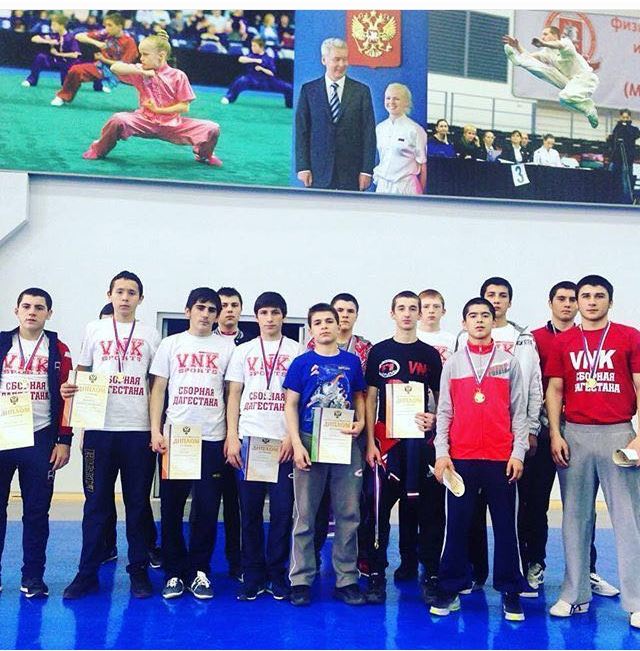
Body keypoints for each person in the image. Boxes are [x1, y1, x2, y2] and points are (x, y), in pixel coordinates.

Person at [546, 275, 640, 629]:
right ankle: (575, 595)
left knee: (629, 520)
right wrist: (555, 433)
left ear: (609, 302)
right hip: (576, 435)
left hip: (619, 433)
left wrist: (639, 437)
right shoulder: (564, 341)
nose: (591, 301)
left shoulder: (629, 336)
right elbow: (555, 390)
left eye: (599, 296)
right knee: (574, 519)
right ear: (577, 301)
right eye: (585, 295)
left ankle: (636, 601)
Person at [61, 271, 161, 599]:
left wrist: (155, 428)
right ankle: (86, 573)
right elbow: (82, 372)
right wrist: (74, 407)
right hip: (99, 432)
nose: (125, 297)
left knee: (137, 505)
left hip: (137, 431)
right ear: (110, 295)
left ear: (140, 299)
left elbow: (155, 384)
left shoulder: (150, 334)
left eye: (132, 292)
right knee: (96, 505)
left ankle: (138, 571)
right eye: (120, 291)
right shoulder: (94, 329)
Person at [430, 298, 528, 621]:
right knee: (457, 525)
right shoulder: (453, 364)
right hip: (461, 459)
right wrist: (442, 453)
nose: (480, 320)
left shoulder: (509, 362)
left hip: (501, 460)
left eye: (485, 315)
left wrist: (518, 453)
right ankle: (450, 586)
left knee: (506, 527)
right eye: (473, 315)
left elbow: (519, 413)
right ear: (464, 323)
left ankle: (511, 590)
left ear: (494, 320)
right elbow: (444, 412)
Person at [529, 282, 619, 597]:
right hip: (545, 432)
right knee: (535, 502)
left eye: (572, 299)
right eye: (561, 299)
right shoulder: (534, 339)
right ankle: (534, 564)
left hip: (584, 430)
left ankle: (587, 571)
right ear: (550, 302)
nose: (567, 304)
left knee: (582, 506)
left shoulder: (595, 338)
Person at [458, 277, 542, 595]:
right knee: (471, 513)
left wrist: (530, 429)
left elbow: (531, 385)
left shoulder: (522, 339)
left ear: (508, 303)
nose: (495, 300)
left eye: (501, 295)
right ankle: (475, 570)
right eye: (490, 295)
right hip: (469, 444)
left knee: (508, 515)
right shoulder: (462, 341)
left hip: (506, 442)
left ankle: (512, 579)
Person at [149, 287, 234, 600]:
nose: (206, 314)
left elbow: (231, 394)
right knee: (171, 507)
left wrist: (231, 435)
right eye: (200, 308)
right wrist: (155, 430)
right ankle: (173, 572)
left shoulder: (227, 348)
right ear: (187, 311)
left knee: (207, 509)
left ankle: (199, 570)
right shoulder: (171, 344)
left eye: (212, 310)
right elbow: (158, 389)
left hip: (212, 437)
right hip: (177, 437)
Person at [284, 303, 367, 606]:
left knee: (349, 513)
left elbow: (358, 396)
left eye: (329, 321)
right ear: (311, 329)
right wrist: (297, 443)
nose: (324, 326)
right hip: (309, 441)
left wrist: (361, 422)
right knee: (305, 514)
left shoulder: (352, 362)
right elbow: (291, 404)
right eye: (317, 322)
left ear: (337, 324)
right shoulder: (301, 363)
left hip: (344, 441)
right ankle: (300, 579)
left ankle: (346, 578)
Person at [363, 291, 443, 605]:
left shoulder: (430, 354)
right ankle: (376, 572)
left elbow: (442, 399)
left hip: (420, 443)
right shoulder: (379, 351)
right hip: (388, 443)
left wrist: (435, 418)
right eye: (402, 308)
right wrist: (370, 441)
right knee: (378, 509)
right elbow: (370, 398)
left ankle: (427, 571)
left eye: (413, 308)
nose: (407, 313)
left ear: (420, 314)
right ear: (392, 313)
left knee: (425, 508)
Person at [225, 292, 300, 601]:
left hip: (282, 443)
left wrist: (292, 438)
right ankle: (252, 575)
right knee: (250, 513)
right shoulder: (243, 351)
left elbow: (300, 400)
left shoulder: (297, 351)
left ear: (283, 316)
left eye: (275, 312)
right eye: (264, 312)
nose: (270, 318)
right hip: (251, 440)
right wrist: (232, 435)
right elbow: (233, 395)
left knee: (282, 513)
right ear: (256, 317)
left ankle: (277, 574)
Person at [0, 288, 73, 598]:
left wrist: (64, 440)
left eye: (39, 307)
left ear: (49, 314)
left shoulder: (59, 349)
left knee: (37, 512)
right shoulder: (2, 343)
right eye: (27, 306)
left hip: (40, 438)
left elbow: (69, 398)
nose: (32, 312)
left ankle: (32, 577)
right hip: (3, 436)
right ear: (16, 310)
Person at [81, 31, 223, 167]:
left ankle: (204, 155)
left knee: (212, 128)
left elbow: (184, 107)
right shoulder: (141, 70)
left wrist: (158, 110)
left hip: (173, 125)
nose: (141, 58)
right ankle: (98, 150)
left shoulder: (178, 76)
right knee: (117, 119)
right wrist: (140, 71)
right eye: (141, 54)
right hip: (143, 121)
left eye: (145, 54)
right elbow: (115, 68)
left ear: (161, 56)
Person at [306, 293, 371, 574]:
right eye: (339, 310)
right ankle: (309, 562)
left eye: (349, 311)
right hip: (314, 435)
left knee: (351, 505)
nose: (344, 315)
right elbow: (296, 398)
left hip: (348, 434)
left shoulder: (363, 351)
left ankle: (350, 568)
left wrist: (363, 423)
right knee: (314, 507)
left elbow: (363, 394)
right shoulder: (308, 351)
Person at [295, 37, 376, 191]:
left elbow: (368, 134)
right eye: (337, 59)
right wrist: (303, 167)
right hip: (318, 172)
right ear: (324, 60)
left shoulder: (361, 91)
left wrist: (366, 171)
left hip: (351, 173)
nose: (342, 64)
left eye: (345, 59)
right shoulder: (309, 90)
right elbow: (302, 131)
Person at [502, 26, 599, 129]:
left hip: (585, 79)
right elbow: (530, 57)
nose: (542, 37)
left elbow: (559, 45)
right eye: (542, 35)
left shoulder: (566, 42)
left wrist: (544, 44)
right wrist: (517, 46)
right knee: (547, 70)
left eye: (545, 34)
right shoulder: (546, 52)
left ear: (555, 35)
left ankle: (589, 108)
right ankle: (518, 61)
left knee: (564, 97)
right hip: (569, 82)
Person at [50, 12, 137, 106]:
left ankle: (146, 107)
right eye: (106, 25)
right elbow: (79, 36)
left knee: (144, 82)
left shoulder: (130, 41)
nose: (106, 28)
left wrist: (103, 59)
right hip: (102, 68)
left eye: (110, 25)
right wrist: (97, 43)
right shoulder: (105, 33)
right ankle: (62, 97)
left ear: (119, 27)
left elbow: (124, 65)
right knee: (76, 70)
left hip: (122, 72)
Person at [373, 83, 427, 195]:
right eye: (388, 98)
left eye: (396, 99)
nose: (391, 102)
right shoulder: (380, 128)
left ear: (406, 102)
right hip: (382, 187)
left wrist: (421, 197)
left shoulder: (415, 130)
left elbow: (423, 166)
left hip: (406, 187)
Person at [220, 37, 292, 108]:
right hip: (252, 78)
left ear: (261, 47)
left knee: (288, 87)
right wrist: (255, 60)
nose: (252, 48)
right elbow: (241, 59)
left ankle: (290, 104)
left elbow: (271, 73)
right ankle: (228, 98)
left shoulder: (268, 58)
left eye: (254, 46)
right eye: (252, 46)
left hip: (268, 80)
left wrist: (262, 69)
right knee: (240, 81)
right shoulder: (251, 55)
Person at [22, 13, 80, 88]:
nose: (52, 27)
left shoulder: (71, 37)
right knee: (40, 57)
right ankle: (31, 80)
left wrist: (58, 54)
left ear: (62, 25)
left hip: (67, 64)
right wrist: (49, 41)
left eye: (54, 25)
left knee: (66, 85)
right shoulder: (53, 35)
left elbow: (75, 54)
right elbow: (34, 38)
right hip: (55, 61)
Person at [417, 289, 456, 363]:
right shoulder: (411, 338)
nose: (431, 311)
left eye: (436, 306)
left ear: (443, 311)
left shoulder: (452, 340)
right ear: (418, 311)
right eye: (426, 306)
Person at [609, 108, 640, 202]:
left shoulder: (634, 129)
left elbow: (635, 135)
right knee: (612, 178)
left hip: (627, 159)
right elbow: (614, 141)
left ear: (630, 117)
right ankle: (612, 197)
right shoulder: (617, 128)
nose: (625, 119)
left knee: (626, 180)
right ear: (620, 117)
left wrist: (626, 126)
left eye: (627, 117)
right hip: (616, 158)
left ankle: (626, 199)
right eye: (623, 117)